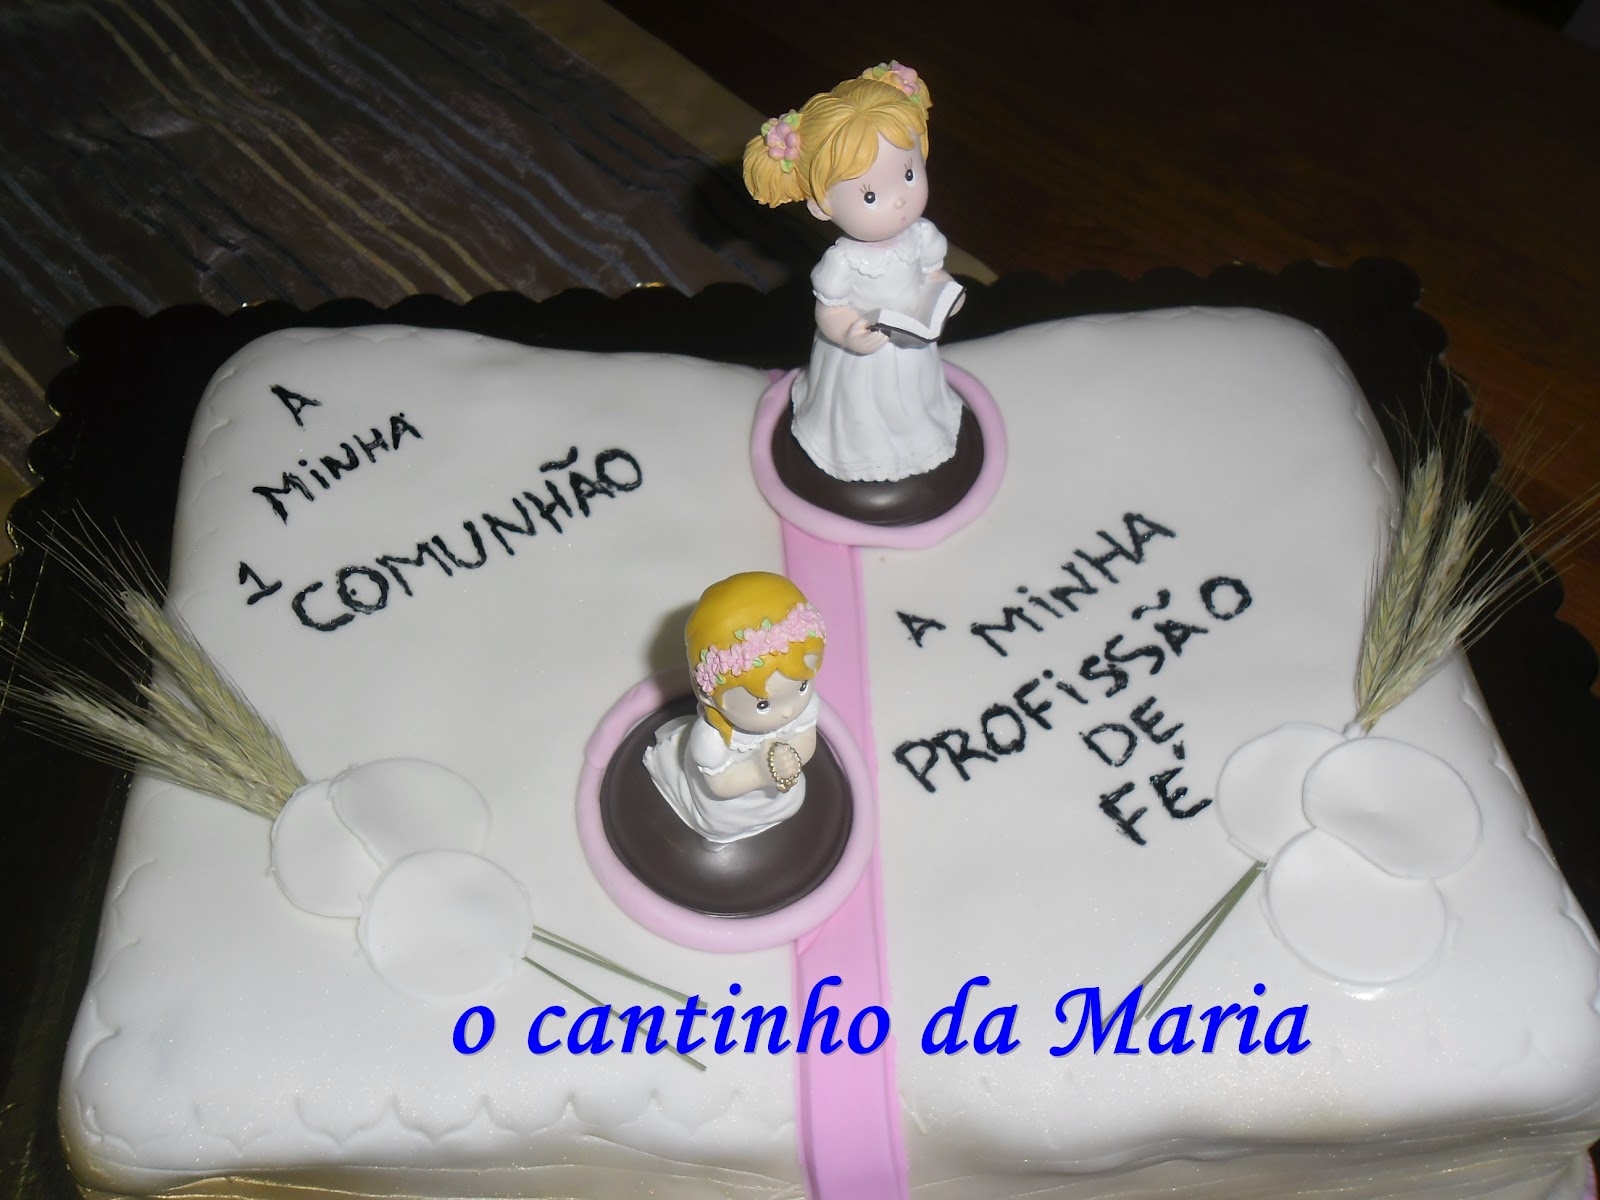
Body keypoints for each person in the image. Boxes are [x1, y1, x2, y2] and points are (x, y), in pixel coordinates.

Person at [744, 63, 963, 483]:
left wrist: (944, 294)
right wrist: (849, 333)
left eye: (909, 174)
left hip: (912, 349)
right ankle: (864, 460)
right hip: (862, 359)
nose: (899, 200)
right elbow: (830, 310)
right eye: (870, 195)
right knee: (864, 415)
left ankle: (919, 445)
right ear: (821, 206)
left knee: (915, 400)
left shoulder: (920, 236)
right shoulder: (843, 261)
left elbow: (932, 273)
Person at [643, 572, 827, 844]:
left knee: (794, 801)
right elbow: (720, 785)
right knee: (720, 825)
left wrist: (790, 760)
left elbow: (806, 739)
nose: (788, 712)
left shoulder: (803, 708)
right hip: (729, 805)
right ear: (710, 697)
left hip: (779, 788)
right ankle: (717, 843)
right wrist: (760, 772)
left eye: (802, 687)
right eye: (762, 705)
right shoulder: (712, 738)